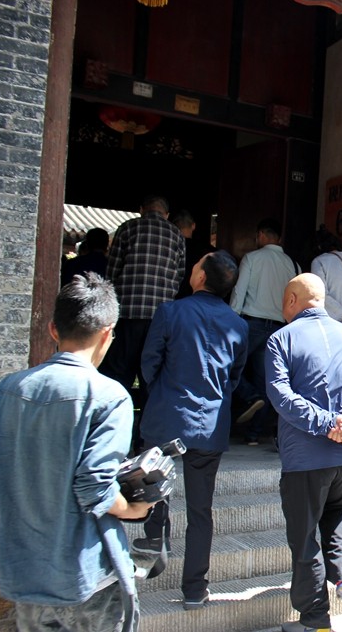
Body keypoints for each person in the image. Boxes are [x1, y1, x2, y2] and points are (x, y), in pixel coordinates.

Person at [0, 273, 155, 631]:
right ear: (107, 333)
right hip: (87, 576)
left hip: (23, 572)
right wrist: (134, 508)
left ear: (53, 329)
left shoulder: (8, 389)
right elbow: (95, 487)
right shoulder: (109, 396)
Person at [266, 273, 342, 632]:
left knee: (304, 537)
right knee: (338, 510)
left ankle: (315, 620)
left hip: (306, 456)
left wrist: (327, 422)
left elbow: (280, 395)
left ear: (292, 300)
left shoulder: (281, 339)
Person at [132, 251, 248, 610]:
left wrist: (161, 392)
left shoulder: (170, 312)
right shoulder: (239, 325)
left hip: (167, 416)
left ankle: (156, 541)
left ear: (200, 278)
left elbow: (149, 362)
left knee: (153, 488)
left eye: (196, 265)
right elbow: (234, 377)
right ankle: (195, 588)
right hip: (210, 424)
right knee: (201, 510)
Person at [102, 195, 185, 450]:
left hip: (127, 313)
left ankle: (115, 438)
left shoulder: (128, 228)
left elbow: (112, 271)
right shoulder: (176, 235)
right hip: (160, 318)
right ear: (166, 214)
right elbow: (179, 275)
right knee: (152, 380)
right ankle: (147, 442)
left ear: (141, 210)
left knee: (119, 375)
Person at [229, 217, 300, 444]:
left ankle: (249, 397)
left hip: (252, 324)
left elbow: (239, 292)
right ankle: (254, 434)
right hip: (279, 328)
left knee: (228, 366)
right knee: (266, 380)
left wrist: (230, 320)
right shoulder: (293, 265)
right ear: (279, 238)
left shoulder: (252, 258)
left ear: (260, 235)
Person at [170, 209, 215, 299]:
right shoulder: (206, 250)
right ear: (193, 226)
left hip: (174, 296)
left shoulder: (170, 248)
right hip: (198, 297)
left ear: (173, 227)